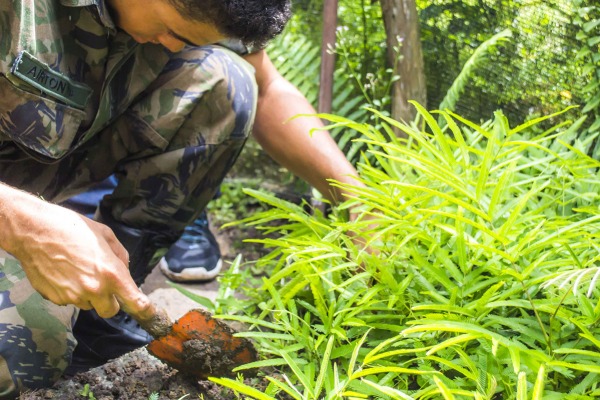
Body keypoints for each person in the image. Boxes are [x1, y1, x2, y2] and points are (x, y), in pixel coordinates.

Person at [0, 0, 363, 398]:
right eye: (172, 29)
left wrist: (360, 202)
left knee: (229, 78)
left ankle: (105, 321)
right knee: (26, 356)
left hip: (46, 177)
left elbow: (270, 87)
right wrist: (24, 224)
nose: (173, 46)